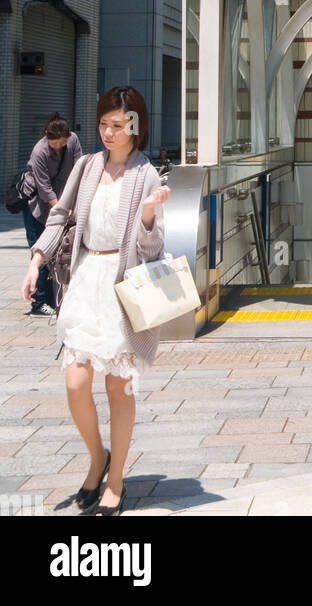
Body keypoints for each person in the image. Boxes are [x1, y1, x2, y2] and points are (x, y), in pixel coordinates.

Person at [20, 86, 171, 515]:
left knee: (118, 389)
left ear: (135, 126)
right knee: (75, 383)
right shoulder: (86, 166)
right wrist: (36, 260)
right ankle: (97, 457)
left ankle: (115, 480)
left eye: (118, 125)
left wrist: (147, 213)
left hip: (121, 291)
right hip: (86, 281)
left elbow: (153, 246)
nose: (109, 131)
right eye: (104, 123)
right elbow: (60, 216)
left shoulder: (146, 175)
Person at [21, 116, 82, 315]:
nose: (58, 146)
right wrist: (62, 209)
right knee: (40, 250)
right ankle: (38, 303)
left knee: (57, 253)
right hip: (38, 206)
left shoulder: (72, 141)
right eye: (54, 143)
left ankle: (52, 300)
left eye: (62, 142)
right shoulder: (40, 150)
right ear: (47, 137)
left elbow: (78, 168)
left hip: (61, 201)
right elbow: (44, 186)